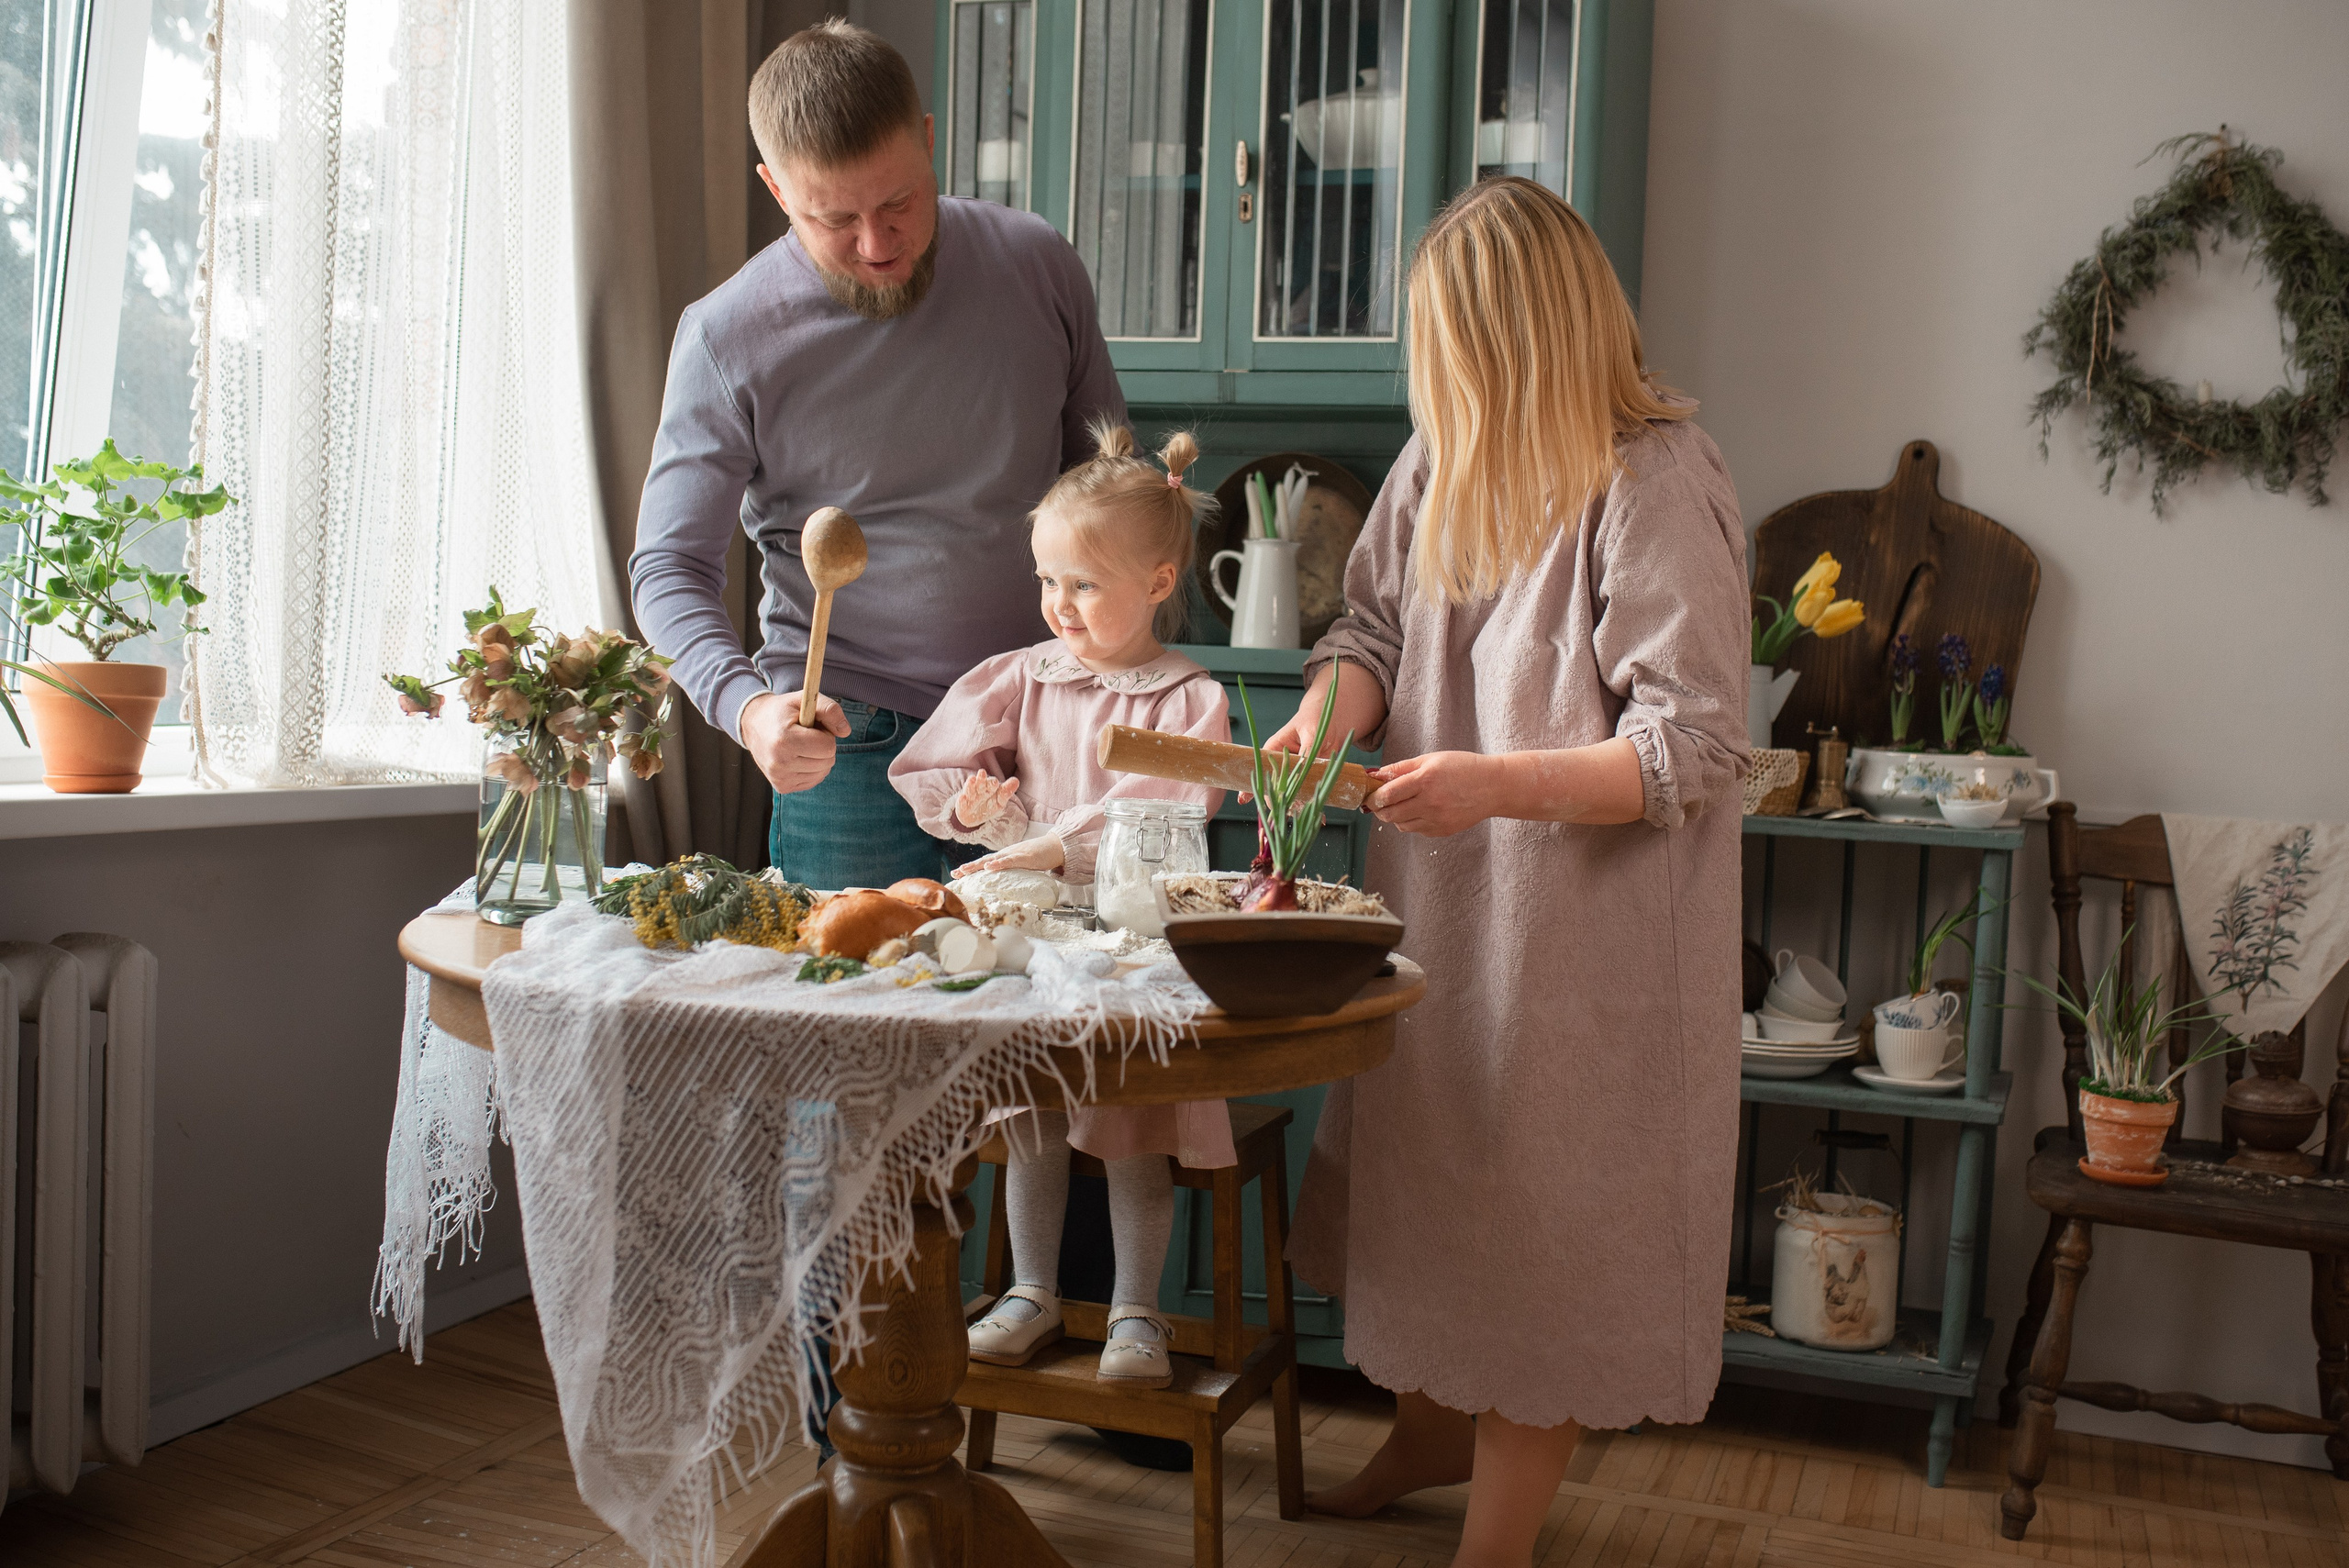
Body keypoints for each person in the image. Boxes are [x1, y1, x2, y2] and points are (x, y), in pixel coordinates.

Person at [1266, 178, 1748, 1567]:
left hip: (1585, 940)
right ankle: (1428, 1440)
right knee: (1435, 1186)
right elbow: (1367, 630)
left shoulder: (1653, 477)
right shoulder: (1442, 458)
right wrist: (1323, 720)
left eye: (1450, 346)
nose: (1434, 376)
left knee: (1542, 1226)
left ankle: (1497, 1546)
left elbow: (1690, 744)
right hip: (1444, 909)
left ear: (1519, 340)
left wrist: (1492, 783)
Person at [628, 19, 1125, 890]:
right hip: (850, 739)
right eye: (835, 218)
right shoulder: (724, 337)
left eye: (898, 203)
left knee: (1048, 978)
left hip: (1039, 720)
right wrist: (748, 708)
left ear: (929, 141)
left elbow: (1108, 491)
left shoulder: (1038, 264)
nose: (876, 243)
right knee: (850, 980)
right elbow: (667, 568)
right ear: (776, 188)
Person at [888, 425, 1232, 1389]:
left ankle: (1137, 1310)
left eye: (1083, 583)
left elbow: (1160, 804)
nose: (1058, 602)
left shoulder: (1185, 700)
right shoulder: (1023, 674)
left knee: (1131, 1131)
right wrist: (976, 806)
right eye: (1047, 579)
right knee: (1031, 1114)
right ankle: (1031, 1290)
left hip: (1130, 940)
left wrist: (1050, 840)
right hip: (1037, 933)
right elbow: (936, 765)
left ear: (1158, 582)